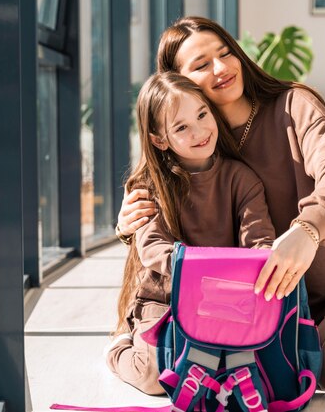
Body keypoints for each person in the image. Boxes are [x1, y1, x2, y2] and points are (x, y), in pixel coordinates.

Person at [116, 16, 325, 394]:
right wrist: (129, 226)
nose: (221, 68)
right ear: (179, 83)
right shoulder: (198, 143)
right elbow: (176, 223)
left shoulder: (294, 105)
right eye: (202, 65)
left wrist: (310, 228)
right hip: (287, 302)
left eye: (225, 53)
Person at [106, 72, 277, 395]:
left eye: (202, 114)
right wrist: (206, 270)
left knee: (246, 366)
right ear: (159, 139)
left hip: (225, 297)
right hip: (163, 297)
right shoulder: (150, 185)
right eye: (181, 127)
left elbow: (259, 243)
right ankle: (118, 348)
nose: (199, 131)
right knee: (157, 377)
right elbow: (152, 248)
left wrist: (239, 274)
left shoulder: (241, 179)